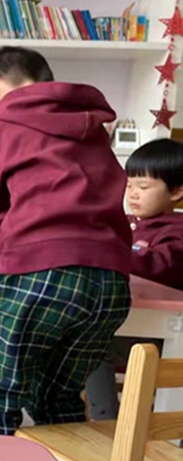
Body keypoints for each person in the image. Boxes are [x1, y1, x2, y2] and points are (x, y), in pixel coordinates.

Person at [0, 47, 132, 435]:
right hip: (110, 283)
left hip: (39, 275)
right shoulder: (90, 126)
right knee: (58, 397)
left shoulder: (0, 124)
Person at [86, 139, 183, 420]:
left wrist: (107, 251)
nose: (133, 194)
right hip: (130, 320)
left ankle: (106, 423)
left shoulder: (176, 232)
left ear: (177, 191)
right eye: (129, 186)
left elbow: (158, 264)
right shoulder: (125, 223)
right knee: (78, 335)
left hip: (163, 333)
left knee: (92, 345)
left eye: (144, 187)